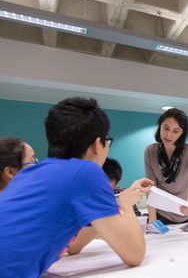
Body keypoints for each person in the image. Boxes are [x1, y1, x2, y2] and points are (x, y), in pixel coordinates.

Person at [0, 97, 153, 277]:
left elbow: (73, 246)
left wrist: (119, 202)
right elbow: (134, 254)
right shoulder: (85, 172)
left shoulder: (27, 175)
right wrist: (126, 205)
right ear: (97, 144)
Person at [145, 108, 188, 225]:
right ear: (160, 126)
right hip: (162, 214)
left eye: (176, 131)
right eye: (166, 128)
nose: (169, 135)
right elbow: (151, 188)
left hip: (186, 212)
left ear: (182, 133)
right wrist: (152, 219)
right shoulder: (150, 151)